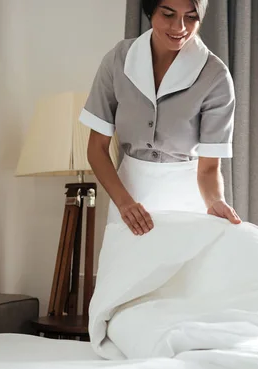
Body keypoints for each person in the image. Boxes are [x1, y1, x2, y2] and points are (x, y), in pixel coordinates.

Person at [80, 0, 241, 236]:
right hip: (127, 196)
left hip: (186, 201)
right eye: (168, 14)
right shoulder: (119, 60)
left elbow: (208, 168)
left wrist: (215, 201)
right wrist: (124, 204)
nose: (180, 27)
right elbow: (96, 147)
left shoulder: (214, 76)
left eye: (191, 17)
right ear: (150, 11)